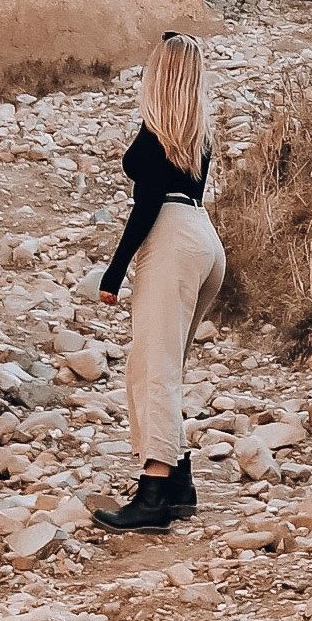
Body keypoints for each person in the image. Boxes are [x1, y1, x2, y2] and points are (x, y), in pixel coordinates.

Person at [90, 32, 224, 532]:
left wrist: (115, 269)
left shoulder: (156, 136)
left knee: (153, 370)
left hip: (171, 238)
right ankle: (180, 482)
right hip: (204, 238)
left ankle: (153, 490)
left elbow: (145, 206)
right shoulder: (196, 135)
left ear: (159, 75)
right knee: (165, 366)